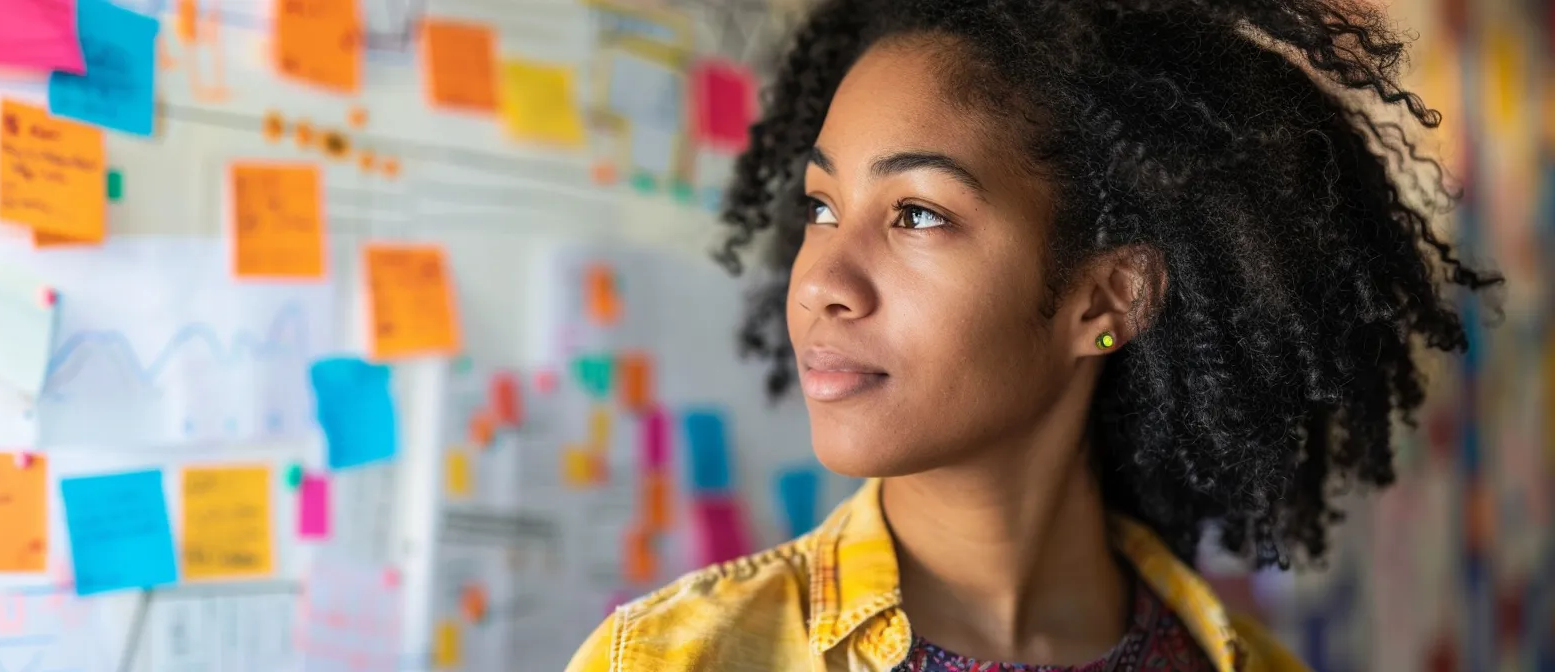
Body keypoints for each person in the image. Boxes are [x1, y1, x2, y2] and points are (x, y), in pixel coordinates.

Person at [566, 0, 1501, 670]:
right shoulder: (665, 658)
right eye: (821, 205)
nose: (822, 283)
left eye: (917, 216)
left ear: (1106, 300)